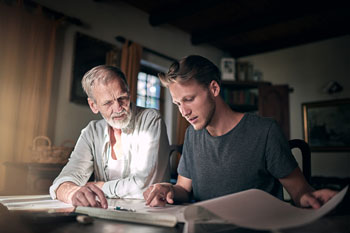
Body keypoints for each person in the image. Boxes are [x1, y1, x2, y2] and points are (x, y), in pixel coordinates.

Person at [143, 55, 337, 208]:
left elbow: (299, 191)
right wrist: (167, 189)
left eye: (189, 99)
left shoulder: (265, 131)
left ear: (214, 88)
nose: (184, 112)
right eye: (177, 104)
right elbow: (184, 189)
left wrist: (309, 198)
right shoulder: (192, 135)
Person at [50, 65, 170, 208]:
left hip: (151, 214)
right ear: (93, 105)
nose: (118, 108)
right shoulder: (92, 132)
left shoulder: (150, 119)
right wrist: (72, 192)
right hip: (106, 214)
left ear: (129, 93)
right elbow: (61, 182)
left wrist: (99, 187)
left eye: (122, 98)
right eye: (108, 103)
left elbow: (144, 187)